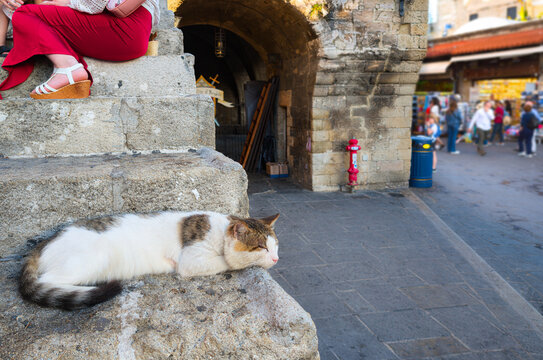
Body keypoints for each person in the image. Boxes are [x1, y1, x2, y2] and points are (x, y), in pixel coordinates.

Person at [0, 0, 159, 99]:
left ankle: (67, 68)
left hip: (122, 28)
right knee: (49, 20)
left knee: (25, 14)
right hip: (134, 31)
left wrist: (69, 2)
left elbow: (96, 4)